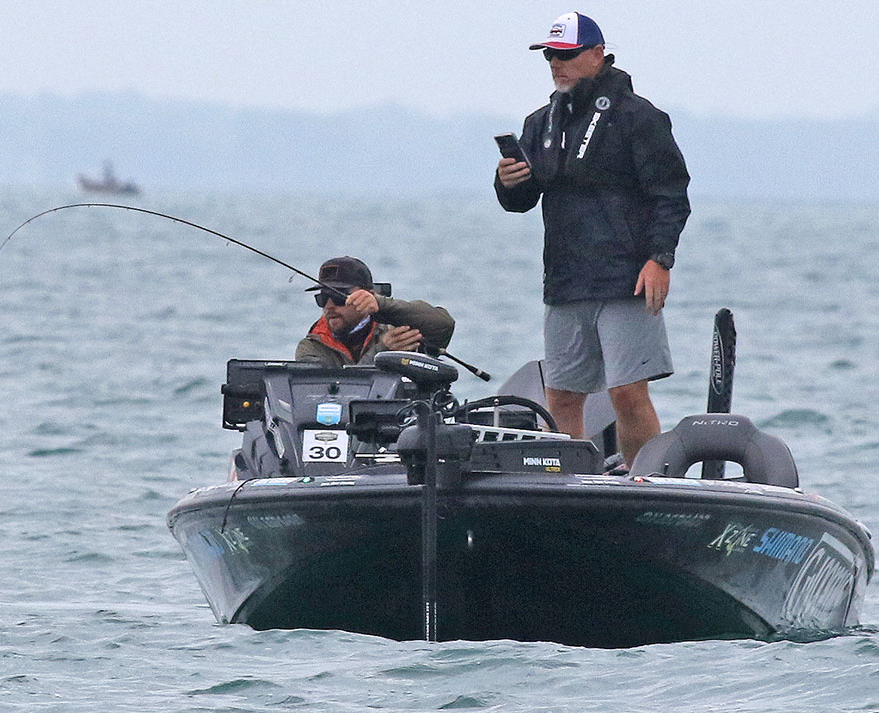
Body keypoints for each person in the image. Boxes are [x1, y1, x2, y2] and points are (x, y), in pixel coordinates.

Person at [494, 11, 690, 467]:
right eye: (550, 55)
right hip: (565, 280)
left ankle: (644, 480)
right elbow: (520, 201)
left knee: (627, 392)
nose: (556, 63)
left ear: (598, 54)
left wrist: (660, 259)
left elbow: (671, 195)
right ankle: (566, 481)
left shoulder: (640, 117)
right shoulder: (540, 122)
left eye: (566, 55)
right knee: (561, 394)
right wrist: (507, 182)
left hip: (627, 279)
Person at [295, 256, 455, 367]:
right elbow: (333, 391)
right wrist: (382, 351)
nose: (329, 306)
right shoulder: (312, 346)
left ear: (368, 295)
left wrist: (381, 304)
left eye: (338, 297)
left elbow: (443, 325)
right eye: (323, 298)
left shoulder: (396, 329)